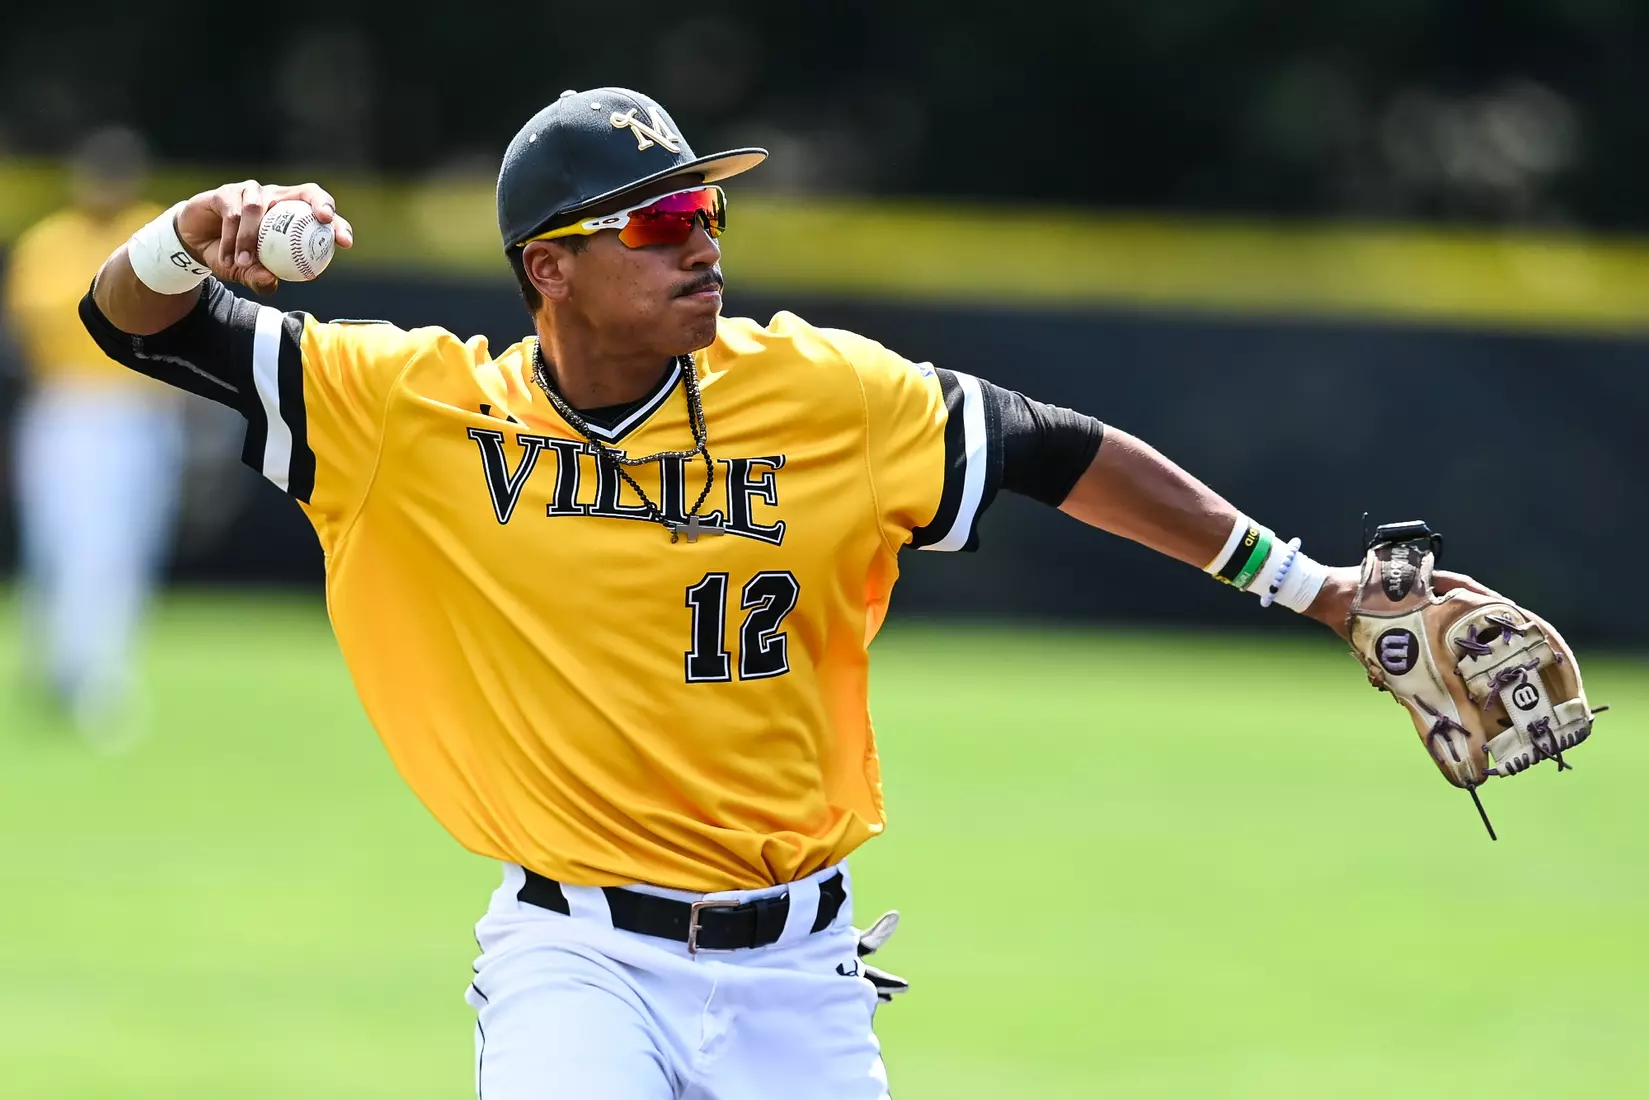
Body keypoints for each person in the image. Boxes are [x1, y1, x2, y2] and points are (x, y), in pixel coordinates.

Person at [79, 88, 1495, 1099]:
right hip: (575, 962)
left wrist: (1309, 587)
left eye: (708, 204)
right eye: (660, 219)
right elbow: (127, 323)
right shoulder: (408, 413)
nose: (704, 237)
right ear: (548, 270)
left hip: (801, 976)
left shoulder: (825, 393)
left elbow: (1054, 452)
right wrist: (188, 236)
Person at [4, 127, 184, 738]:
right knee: (61, 547)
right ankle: (66, 670)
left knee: (123, 550)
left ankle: (96, 674)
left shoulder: (158, 233)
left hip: (141, 413)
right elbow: (27, 341)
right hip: (70, 410)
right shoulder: (49, 243)